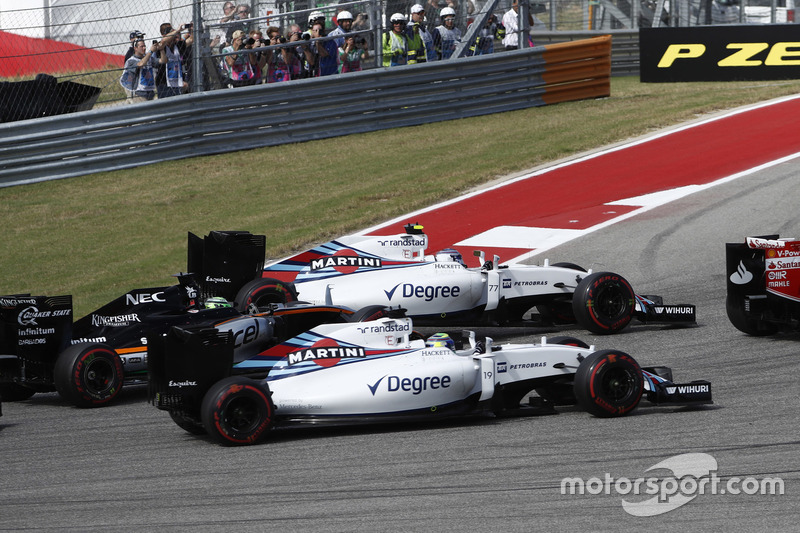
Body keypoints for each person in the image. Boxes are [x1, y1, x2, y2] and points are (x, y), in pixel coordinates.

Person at [155, 22, 192, 98]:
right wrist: (177, 30)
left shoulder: (177, 45)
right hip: (164, 83)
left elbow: (191, 40)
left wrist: (193, 29)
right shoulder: (161, 46)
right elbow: (163, 41)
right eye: (169, 31)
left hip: (176, 83)